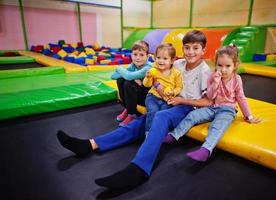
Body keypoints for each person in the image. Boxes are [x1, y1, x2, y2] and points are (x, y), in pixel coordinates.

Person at [56, 30, 212, 189]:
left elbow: (208, 101)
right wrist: (150, 79)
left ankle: (140, 169)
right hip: (167, 101)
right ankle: (91, 144)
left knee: (161, 117)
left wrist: (181, 100)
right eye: (187, 48)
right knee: (139, 123)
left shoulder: (205, 71)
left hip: (187, 107)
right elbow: (158, 68)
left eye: (195, 48)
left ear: (203, 50)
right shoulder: (178, 63)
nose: (190, 52)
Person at [164, 45, 262, 162]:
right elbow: (210, 96)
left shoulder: (237, 79)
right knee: (192, 115)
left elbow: (241, 98)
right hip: (212, 107)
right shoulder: (212, 76)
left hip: (227, 109)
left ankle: (205, 150)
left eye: (228, 66)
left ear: (235, 66)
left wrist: (249, 116)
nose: (223, 70)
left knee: (218, 125)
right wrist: (215, 83)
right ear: (216, 64)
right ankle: (173, 136)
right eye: (220, 65)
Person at [143, 43, 182, 135]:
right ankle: (149, 132)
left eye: (165, 59)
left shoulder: (176, 73)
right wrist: (148, 77)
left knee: (163, 114)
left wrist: (173, 92)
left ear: (172, 60)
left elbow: (179, 87)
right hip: (152, 97)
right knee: (153, 111)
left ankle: (161, 132)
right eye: (158, 57)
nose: (161, 61)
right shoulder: (153, 70)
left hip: (166, 100)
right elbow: (146, 85)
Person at [112, 40, 152, 126]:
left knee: (128, 83)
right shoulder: (133, 65)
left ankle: (132, 114)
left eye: (141, 55)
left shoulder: (148, 67)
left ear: (147, 56)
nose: (138, 58)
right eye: (135, 54)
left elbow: (129, 76)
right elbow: (113, 76)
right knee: (120, 80)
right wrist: (127, 74)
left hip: (147, 98)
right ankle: (128, 108)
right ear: (131, 55)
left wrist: (119, 69)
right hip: (136, 95)